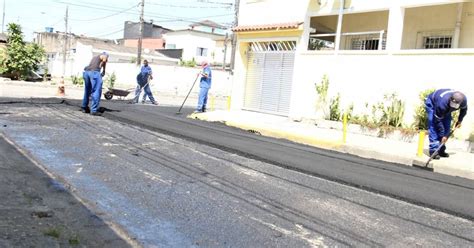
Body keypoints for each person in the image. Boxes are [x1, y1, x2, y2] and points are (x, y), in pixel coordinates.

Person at [425, 89, 467, 159]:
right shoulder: (442, 104)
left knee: (447, 126)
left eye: (455, 105)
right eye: (452, 104)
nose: (453, 107)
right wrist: (443, 135)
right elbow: (438, 121)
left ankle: (441, 149)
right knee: (433, 126)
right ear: (450, 99)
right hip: (432, 103)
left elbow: (464, 110)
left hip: (446, 108)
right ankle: (433, 150)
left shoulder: (463, 100)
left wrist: (459, 121)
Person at [81, 52, 108, 116]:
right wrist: (101, 65)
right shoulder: (104, 55)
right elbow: (104, 60)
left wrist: (103, 69)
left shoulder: (95, 57)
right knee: (96, 91)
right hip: (94, 73)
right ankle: (93, 110)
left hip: (86, 72)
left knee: (87, 91)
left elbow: (104, 62)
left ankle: (84, 107)